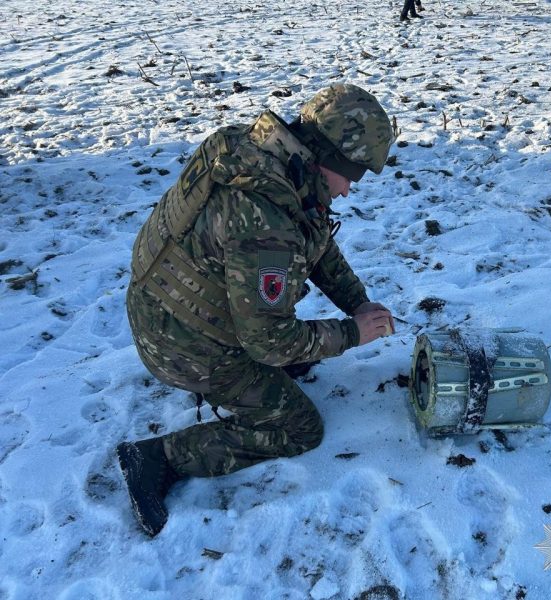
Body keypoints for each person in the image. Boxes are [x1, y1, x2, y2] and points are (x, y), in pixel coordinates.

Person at [117, 83, 396, 537]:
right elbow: (269, 342)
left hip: (162, 308)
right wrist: (352, 333)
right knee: (299, 428)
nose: (349, 191)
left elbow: (316, 240)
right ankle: (157, 458)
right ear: (329, 161)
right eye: (354, 176)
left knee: (293, 349)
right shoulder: (267, 220)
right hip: (181, 345)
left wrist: (357, 301)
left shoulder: (263, 158)